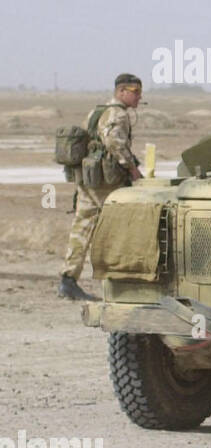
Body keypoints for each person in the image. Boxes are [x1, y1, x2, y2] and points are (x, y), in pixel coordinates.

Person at [58, 73, 143, 301]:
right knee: (119, 228)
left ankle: (68, 279)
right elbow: (114, 142)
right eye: (134, 92)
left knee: (82, 227)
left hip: (88, 179)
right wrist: (132, 168)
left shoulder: (97, 111)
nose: (138, 97)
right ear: (121, 91)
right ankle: (119, 280)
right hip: (106, 182)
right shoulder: (118, 114)